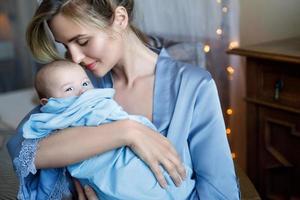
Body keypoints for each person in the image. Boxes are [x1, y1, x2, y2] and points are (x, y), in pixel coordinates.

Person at [7, 0, 240, 199]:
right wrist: (127, 132)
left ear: (119, 18)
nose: (75, 57)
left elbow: (220, 193)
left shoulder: (193, 86)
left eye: (82, 41)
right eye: (65, 45)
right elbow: (24, 151)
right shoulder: (81, 85)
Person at [22, 60, 195, 200]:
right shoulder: (45, 120)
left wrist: (133, 128)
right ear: (47, 103)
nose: (83, 92)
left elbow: (117, 115)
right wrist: (126, 131)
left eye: (84, 83)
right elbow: (27, 154)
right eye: (69, 89)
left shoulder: (100, 99)